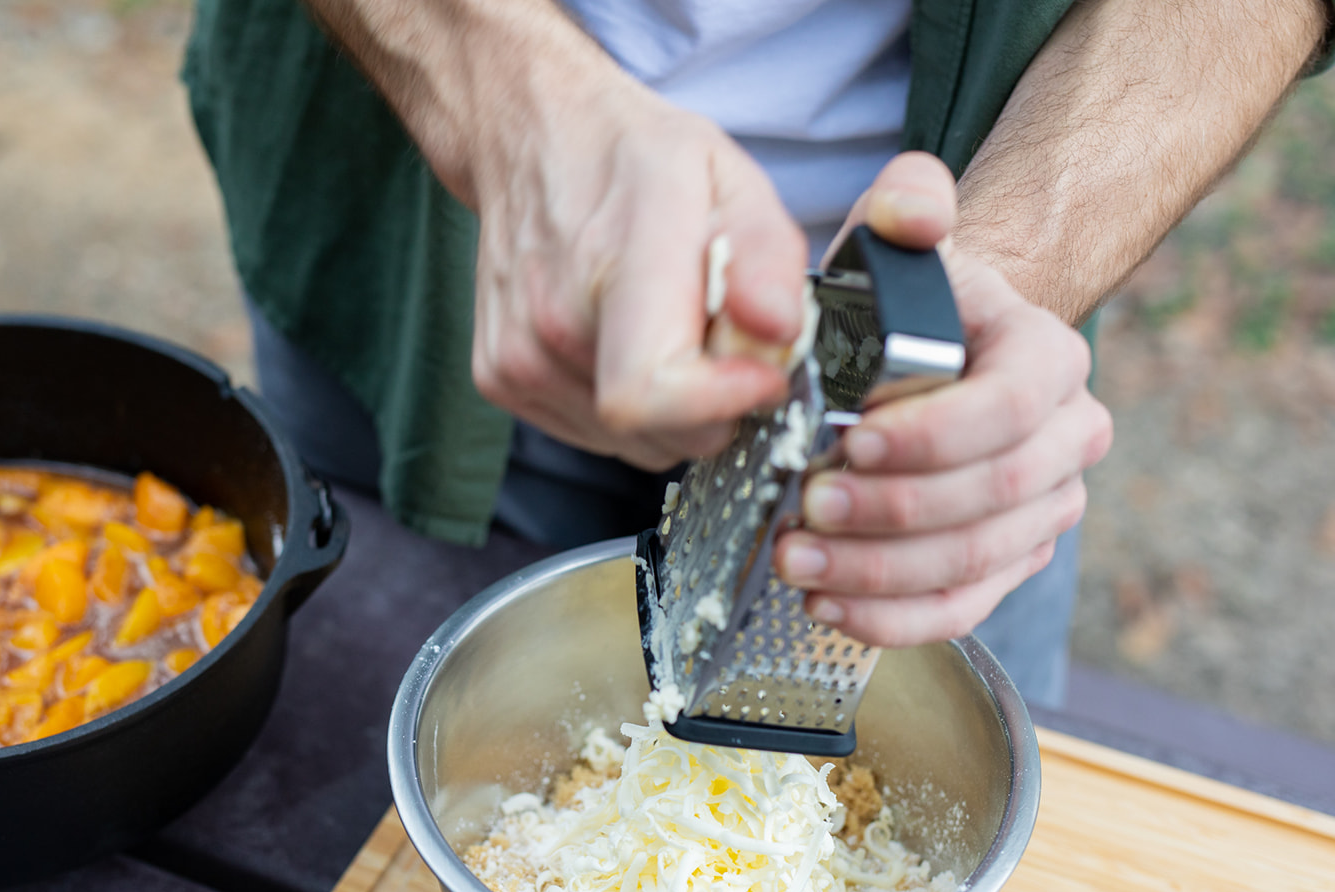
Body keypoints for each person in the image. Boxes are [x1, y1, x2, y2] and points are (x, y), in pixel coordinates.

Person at [183, 0, 1330, 708]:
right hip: (404, 257)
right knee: (345, 779)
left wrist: (1001, 266)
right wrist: (501, 91)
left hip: (953, 376)